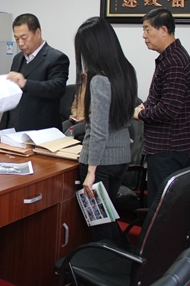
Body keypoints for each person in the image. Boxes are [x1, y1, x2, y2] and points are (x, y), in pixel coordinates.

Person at [74, 17, 138, 242]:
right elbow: (124, 117)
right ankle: (123, 255)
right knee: (108, 218)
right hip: (121, 157)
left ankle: (110, 260)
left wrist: (91, 172)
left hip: (100, 163)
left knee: (99, 223)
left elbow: (99, 131)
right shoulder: (127, 71)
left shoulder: (99, 80)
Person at [133, 7, 190, 207]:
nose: (144, 36)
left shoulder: (175, 62)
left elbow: (168, 109)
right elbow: (161, 96)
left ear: (163, 30)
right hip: (165, 147)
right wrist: (146, 104)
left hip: (169, 148)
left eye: (147, 29)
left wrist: (142, 114)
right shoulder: (169, 57)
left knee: (162, 205)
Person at [0, 13, 69, 132]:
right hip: (14, 128)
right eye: (17, 39)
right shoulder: (18, 58)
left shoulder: (56, 58)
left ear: (38, 32)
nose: (20, 43)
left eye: (24, 38)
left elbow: (57, 88)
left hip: (41, 130)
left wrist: (25, 83)